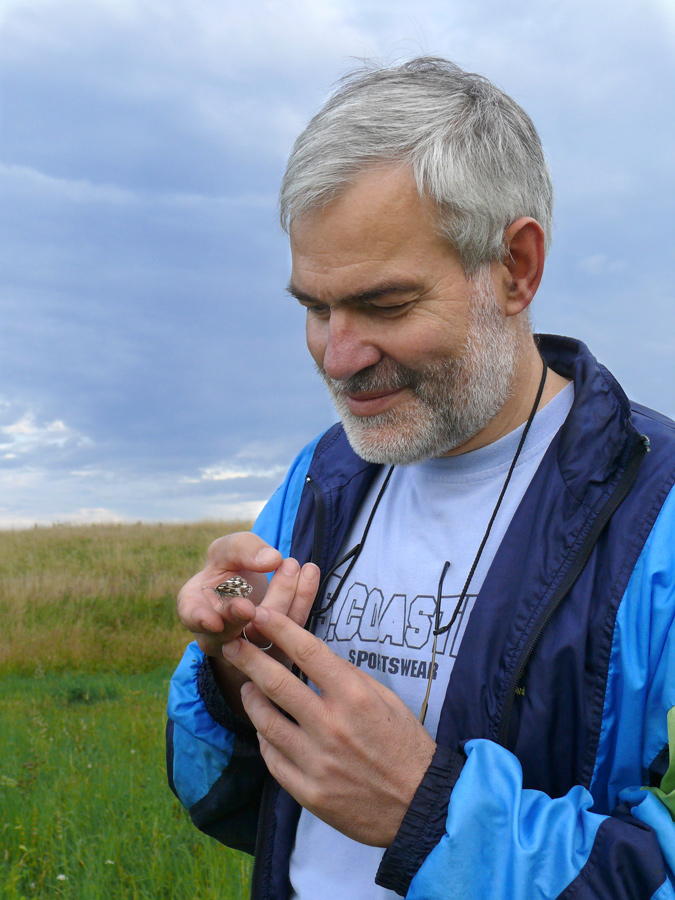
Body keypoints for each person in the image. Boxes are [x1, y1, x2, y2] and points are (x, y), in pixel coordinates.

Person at [166, 58, 675, 900]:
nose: (338, 356)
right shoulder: (322, 474)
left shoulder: (652, 510)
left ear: (516, 267)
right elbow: (224, 796)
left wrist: (432, 816)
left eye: (385, 304)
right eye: (314, 306)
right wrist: (229, 669)